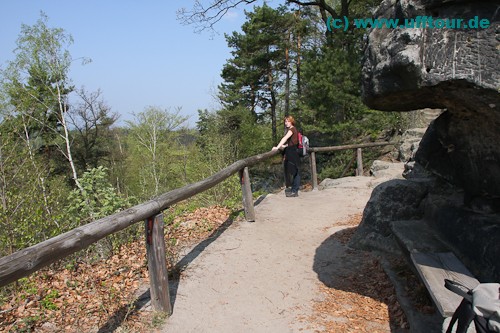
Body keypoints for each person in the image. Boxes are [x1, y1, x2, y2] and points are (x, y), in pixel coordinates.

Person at [272, 116, 300, 197]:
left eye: (288, 121)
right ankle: (294, 190)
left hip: (292, 152)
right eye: (285, 121)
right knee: (295, 171)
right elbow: (292, 142)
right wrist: (284, 146)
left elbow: (285, 138)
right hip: (293, 151)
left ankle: (294, 191)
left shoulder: (292, 129)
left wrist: (277, 147)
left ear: (291, 122)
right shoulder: (293, 129)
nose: (286, 123)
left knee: (295, 172)